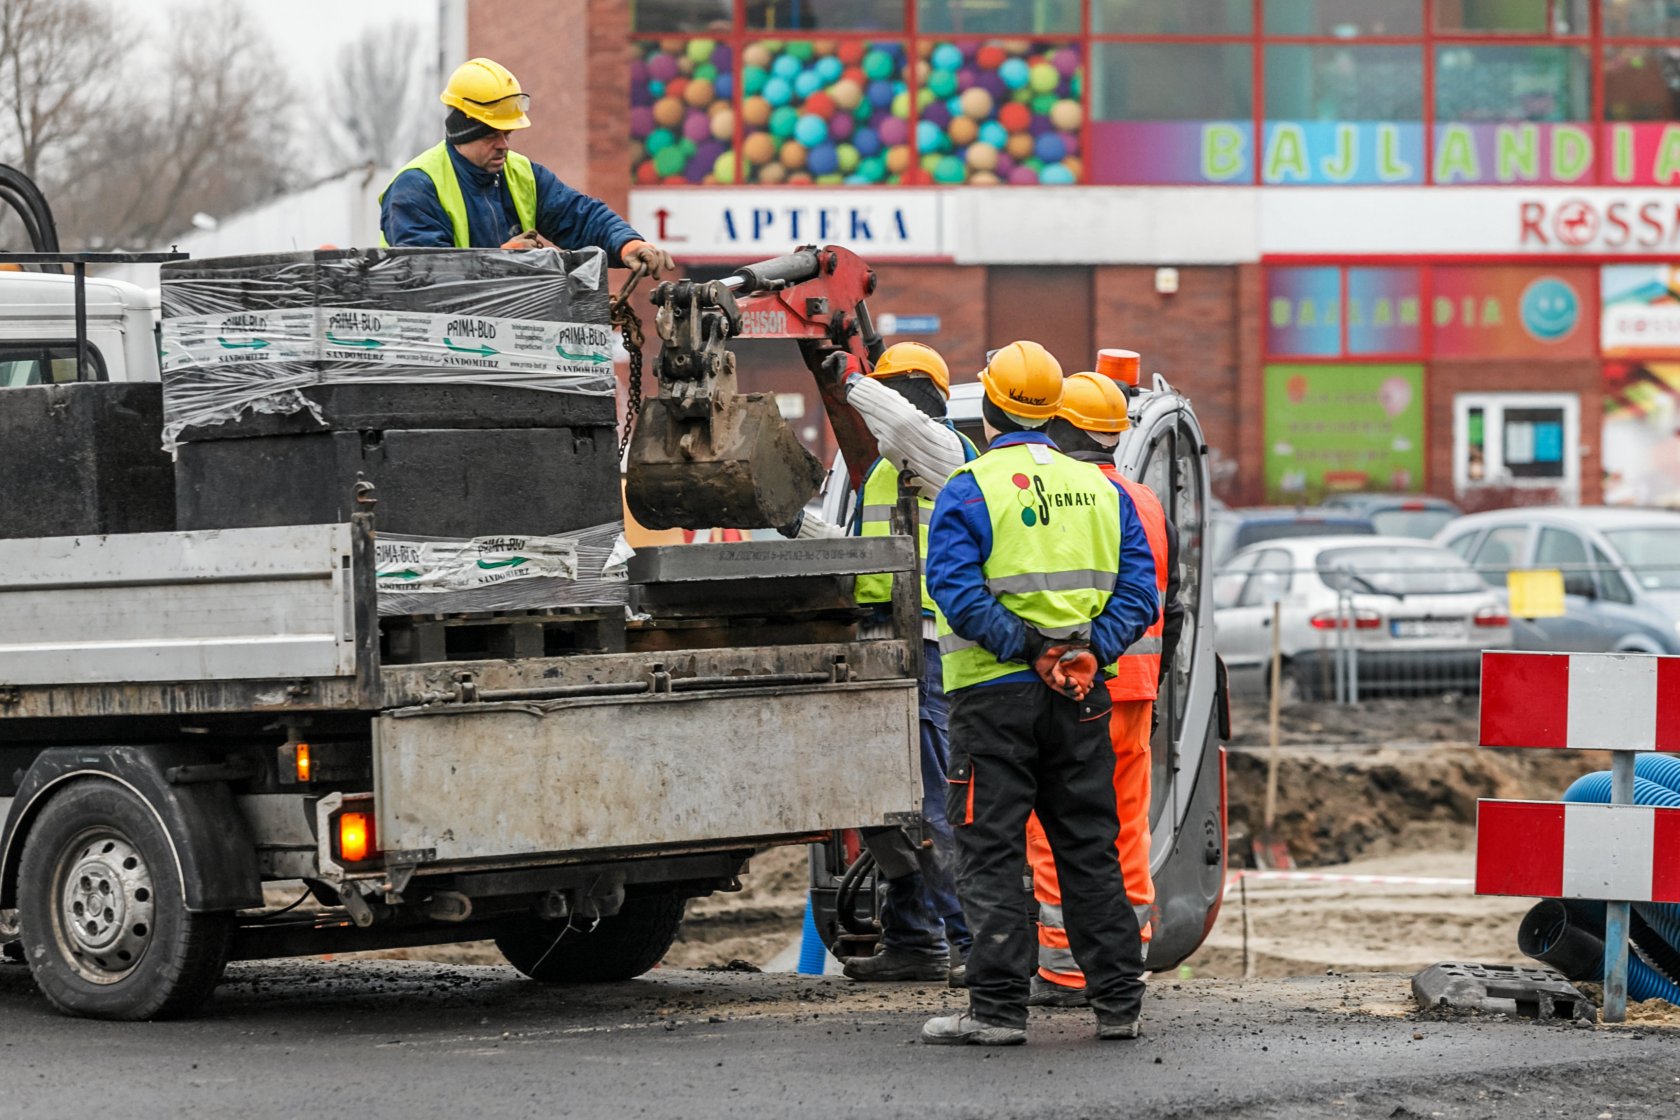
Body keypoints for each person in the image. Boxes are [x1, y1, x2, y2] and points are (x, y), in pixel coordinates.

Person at [920, 341, 1159, 1046]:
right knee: (1089, 846)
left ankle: (995, 1012)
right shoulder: (1104, 489)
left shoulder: (969, 486)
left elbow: (956, 592)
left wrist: (1030, 648)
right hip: (1080, 698)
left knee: (991, 852)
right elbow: (1138, 594)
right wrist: (1086, 652)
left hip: (993, 700)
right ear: (1052, 409)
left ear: (990, 406)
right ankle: (1119, 1002)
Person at [782, 342, 977, 982]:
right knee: (887, 802)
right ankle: (916, 942)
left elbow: (903, 425)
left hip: (930, 649)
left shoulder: (948, 455)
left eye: (887, 393)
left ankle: (973, 947)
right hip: (879, 643)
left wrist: (850, 380)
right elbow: (861, 552)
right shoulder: (879, 471)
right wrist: (793, 524)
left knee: (932, 806)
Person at [1025, 369, 1184, 1007]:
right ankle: (1129, 955)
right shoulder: (1145, 499)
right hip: (1137, 686)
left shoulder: (1066, 494)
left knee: (1055, 827)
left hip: (1078, 684)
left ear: (1060, 427)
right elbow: (1169, 602)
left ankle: (1065, 970)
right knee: (1125, 826)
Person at [380, 57, 673, 274]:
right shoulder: (416, 187)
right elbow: (423, 276)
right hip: (435, 350)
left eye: (507, 134)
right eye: (492, 135)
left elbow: (581, 216)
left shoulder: (522, 174)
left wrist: (628, 245)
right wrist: (502, 258)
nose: (504, 145)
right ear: (464, 131)